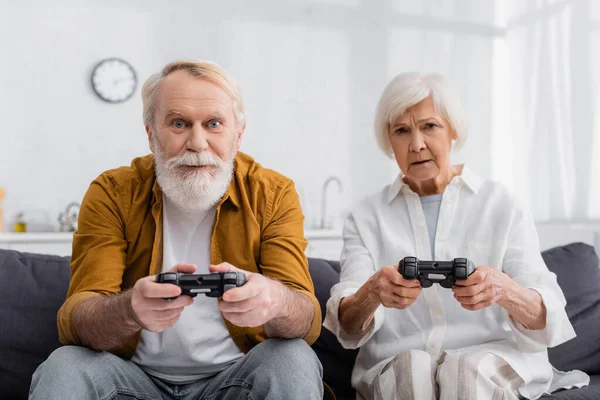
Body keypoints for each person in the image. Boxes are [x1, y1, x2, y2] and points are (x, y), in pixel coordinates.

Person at [30, 59, 323, 400]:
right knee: (65, 364)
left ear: (238, 135)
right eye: (179, 123)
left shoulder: (272, 193)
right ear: (151, 135)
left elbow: (308, 321)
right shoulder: (112, 191)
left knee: (293, 358)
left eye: (214, 124)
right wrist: (130, 309)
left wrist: (275, 301)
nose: (197, 144)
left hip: (236, 379)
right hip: (133, 381)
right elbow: (74, 321)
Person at [323, 72, 589, 400]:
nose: (416, 144)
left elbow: (544, 316)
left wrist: (503, 289)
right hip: (398, 361)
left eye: (429, 126)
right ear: (389, 143)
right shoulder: (365, 217)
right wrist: (373, 292)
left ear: (453, 130)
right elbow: (347, 327)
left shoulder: (502, 205)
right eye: (401, 131)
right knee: (409, 368)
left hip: (493, 359)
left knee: (466, 369)